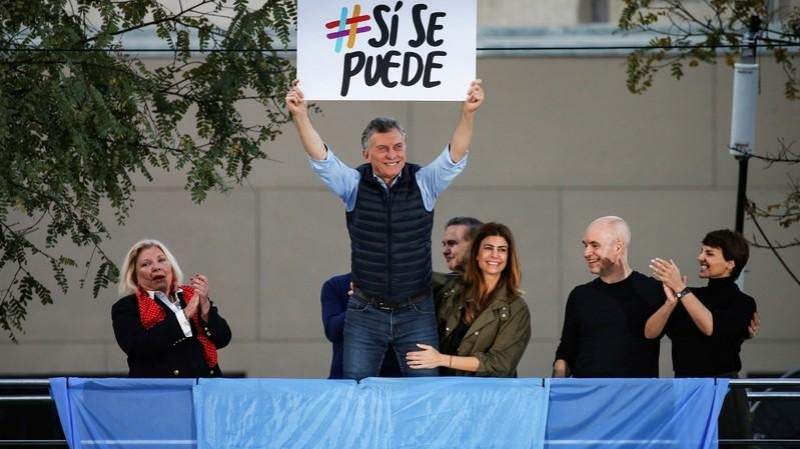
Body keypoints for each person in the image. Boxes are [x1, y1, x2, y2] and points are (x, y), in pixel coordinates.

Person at [286, 79, 485, 379]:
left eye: (398, 146)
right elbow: (322, 159)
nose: (392, 154)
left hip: (416, 311)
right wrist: (301, 115)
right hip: (365, 311)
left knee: (424, 392)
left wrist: (468, 112)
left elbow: (454, 157)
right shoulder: (353, 184)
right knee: (356, 390)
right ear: (366, 154)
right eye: (382, 148)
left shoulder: (423, 182)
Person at [646, 229, 757, 439]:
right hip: (685, 387)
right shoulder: (689, 296)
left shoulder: (743, 302)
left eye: (709, 253)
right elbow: (650, 333)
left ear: (730, 263)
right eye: (701, 251)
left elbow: (710, 328)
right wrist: (669, 304)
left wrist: (681, 288)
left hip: (723, 390)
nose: (700, 257)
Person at [406, 222, 531, 377]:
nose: (495, 255)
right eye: (488, 248)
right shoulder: (451, 289)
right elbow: (413, 277)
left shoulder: (516, 307)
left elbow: (500, 364)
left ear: (508, 258)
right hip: (442, 385)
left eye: (502, 250)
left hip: (485, 390)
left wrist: (441, 359)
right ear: (476, 254)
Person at [553, 216, 663, 378]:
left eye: (595, 245)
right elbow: (567, 350)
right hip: (587, 391)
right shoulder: (580, 295)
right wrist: (557, 381)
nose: (586, 253)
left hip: (635, 392)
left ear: (618, 247)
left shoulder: (652, 290)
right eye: (585, 245)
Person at [112, 239, 231, 377]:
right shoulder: (127, 306)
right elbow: (137, 348)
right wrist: (184, 315)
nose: (156, 267)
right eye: (146, 264)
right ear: (134, 275)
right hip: (163, 387)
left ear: (172, 266)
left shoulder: (190, 296)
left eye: (161, 260)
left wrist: (205, 308)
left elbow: (223, 339)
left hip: (206, 384)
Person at [321, 273, 402, 378]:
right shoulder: (337, 284)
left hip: (401, 378)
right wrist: (362, 303)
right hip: (349, 378)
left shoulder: (413, 284)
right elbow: (333, 332)